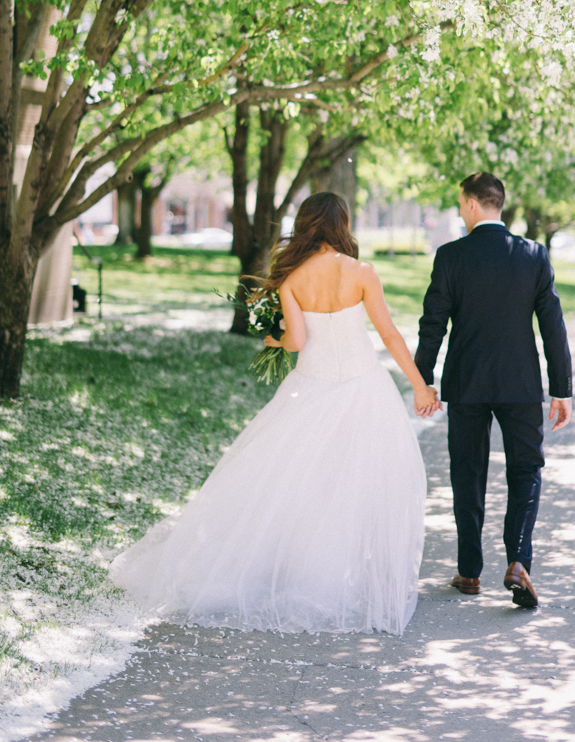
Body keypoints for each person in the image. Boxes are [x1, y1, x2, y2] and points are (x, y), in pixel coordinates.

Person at [109, 192, 440, 635]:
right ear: (341, 224)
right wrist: (419, 385)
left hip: (311, 388)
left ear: (305, 225)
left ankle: (304, 572)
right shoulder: (361, 273)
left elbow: (297, 342)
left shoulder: (291, 278)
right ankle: (339, 577)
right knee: (358, 483)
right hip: (364, 387)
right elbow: (390, 334)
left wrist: (273, 341)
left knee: (304, 483)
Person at [414, 172, 572, 609]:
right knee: (526, 470)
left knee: (468, 471)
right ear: (498, 205)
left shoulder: (450, 256)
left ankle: (469, 570)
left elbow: (433, 325)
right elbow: (553, 327)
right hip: (520, 384)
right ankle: (519, 561)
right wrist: (562, 388)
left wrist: (421, 379)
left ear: (469, 204)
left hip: (466, 383)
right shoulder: (533, 256)